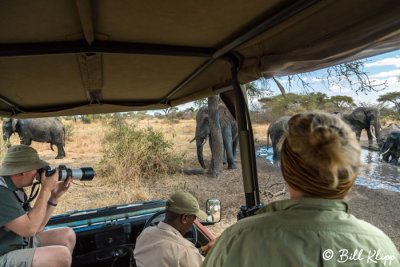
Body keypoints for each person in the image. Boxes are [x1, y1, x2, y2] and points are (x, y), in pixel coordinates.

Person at [203, 112, 400, 266]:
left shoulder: (237, 239)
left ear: (286, 170)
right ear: (353, 175)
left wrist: (225, 246)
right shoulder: (382, 247)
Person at [0, 145, 76, 267]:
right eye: (36, 168)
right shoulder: (2, 193)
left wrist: (54, 197)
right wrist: (45, 190)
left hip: (15, 242)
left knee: (68, 235)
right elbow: (30, 229)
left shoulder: (13, 188)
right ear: (23, 171)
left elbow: (37, 226)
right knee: (61, 255)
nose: (39, 173)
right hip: (3, 254)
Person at [134, 191, 214, 267]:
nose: (193, 222)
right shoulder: (184, 249)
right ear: (185, 218)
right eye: (194, 219)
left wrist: (204, 249)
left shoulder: (145, 234)